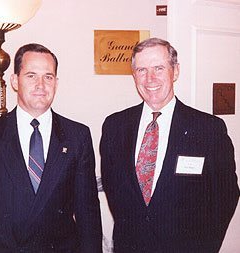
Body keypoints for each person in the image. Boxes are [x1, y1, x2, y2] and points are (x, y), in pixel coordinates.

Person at [0, 43, 102, 253]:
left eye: (48, 77)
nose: (41, 85)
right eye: (31, 75)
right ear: (15, 81)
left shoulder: (77, 136)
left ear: (56, 83)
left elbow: (88, 214)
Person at [100, 37, 239, 252]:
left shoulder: (208, 129)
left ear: (175, 71)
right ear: (134, 75)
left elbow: (226, 195)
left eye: (159, 68)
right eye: (142, 70)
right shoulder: (114, 126)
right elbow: (114, 190)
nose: (150, 78)